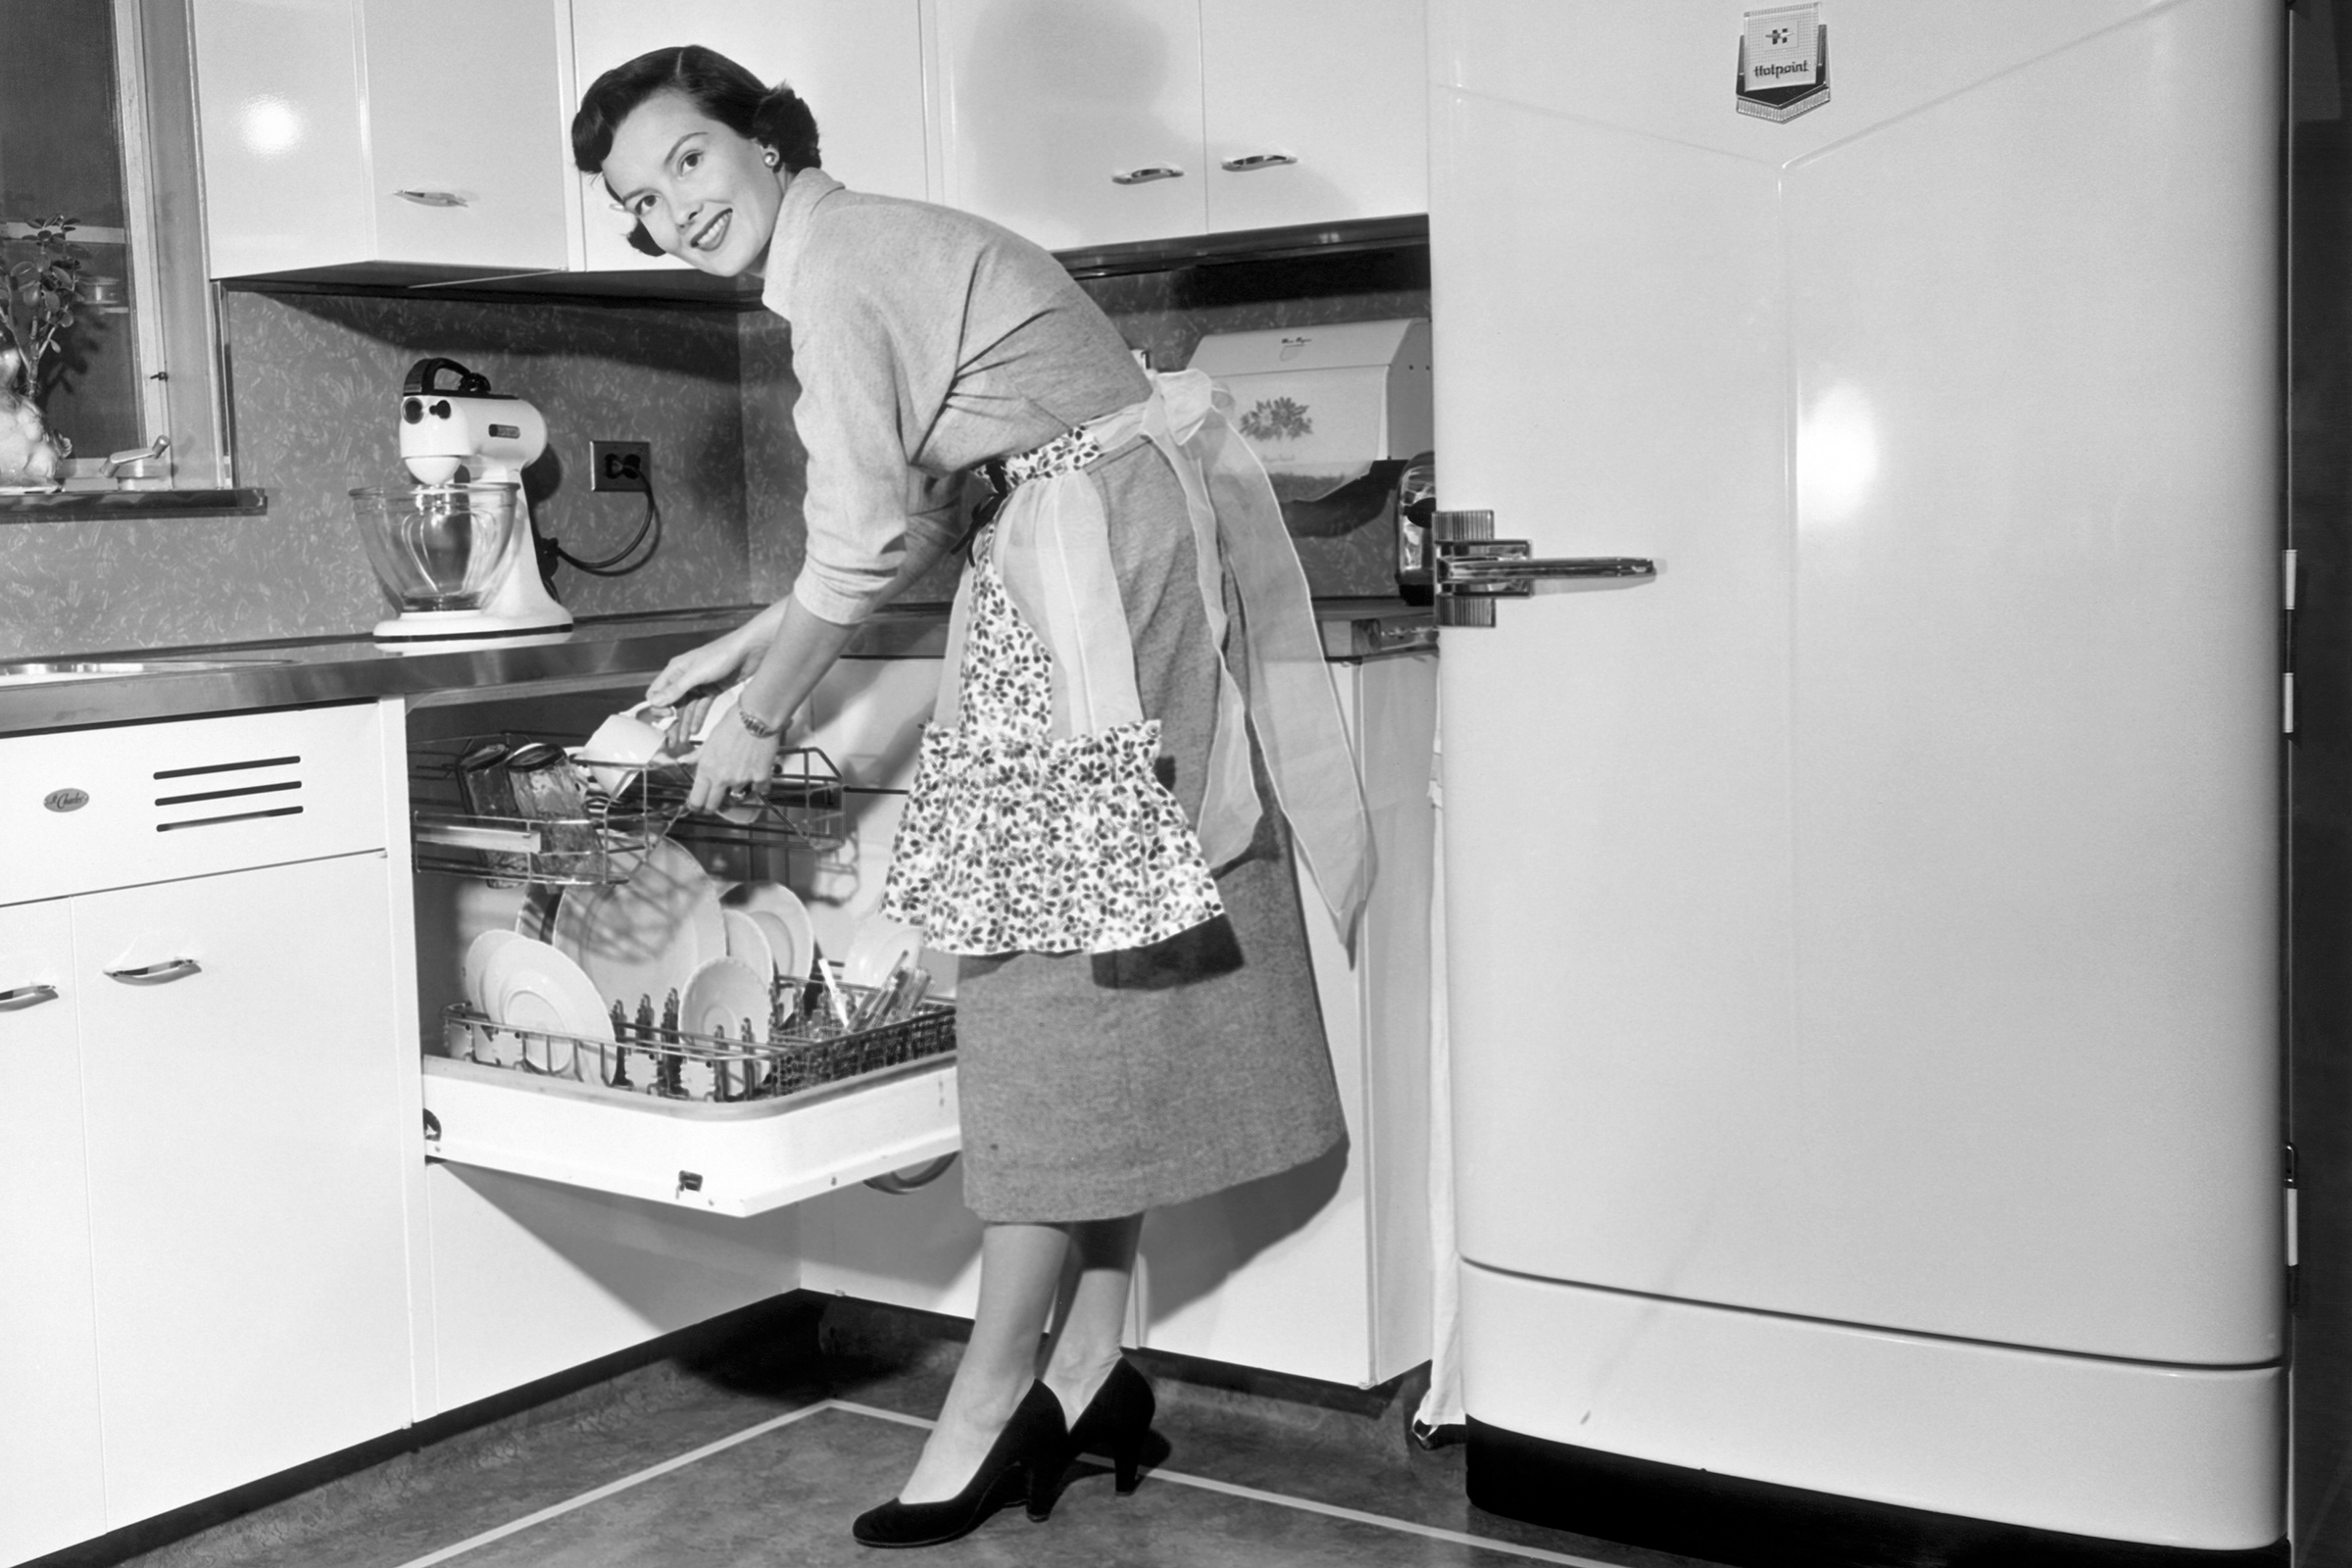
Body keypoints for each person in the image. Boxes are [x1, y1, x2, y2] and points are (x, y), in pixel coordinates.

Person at [572, 45, 1372, 1549]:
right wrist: (743, 643)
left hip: (1084, 577)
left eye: (685, 162)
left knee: (1034, 996)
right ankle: (1088, 1360)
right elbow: (917, 503)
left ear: (760, 138)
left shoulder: (846, 266)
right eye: (637, 199)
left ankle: (996, 1394)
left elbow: (870, 535)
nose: (670, 210)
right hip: (1087, 558)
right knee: (1103, 971)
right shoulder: (868, 249)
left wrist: (761, 712)